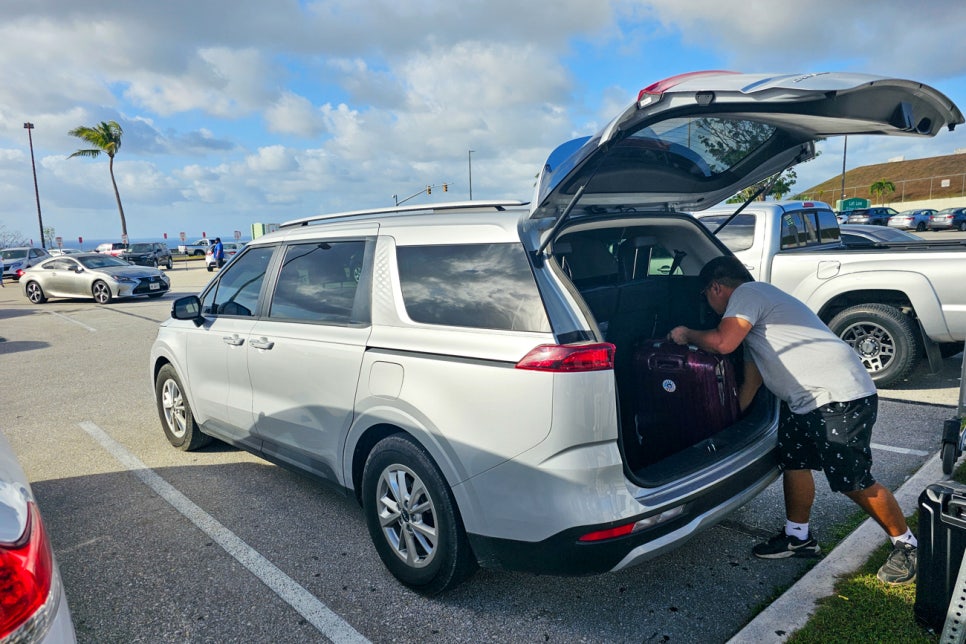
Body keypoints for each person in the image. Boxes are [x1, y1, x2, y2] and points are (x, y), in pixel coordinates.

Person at [667, 256, 917, 585]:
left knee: (852, 479)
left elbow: (721, 342)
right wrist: (724, 428)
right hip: (803, 400)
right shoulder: (756, 323)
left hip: (838, 395)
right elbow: (751, 384)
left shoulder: (748, 294)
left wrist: (685, 334)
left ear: (716, 287)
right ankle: (798, 538)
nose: (708, 303)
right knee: (794, 462)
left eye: (706, 296)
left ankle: (908, 545)